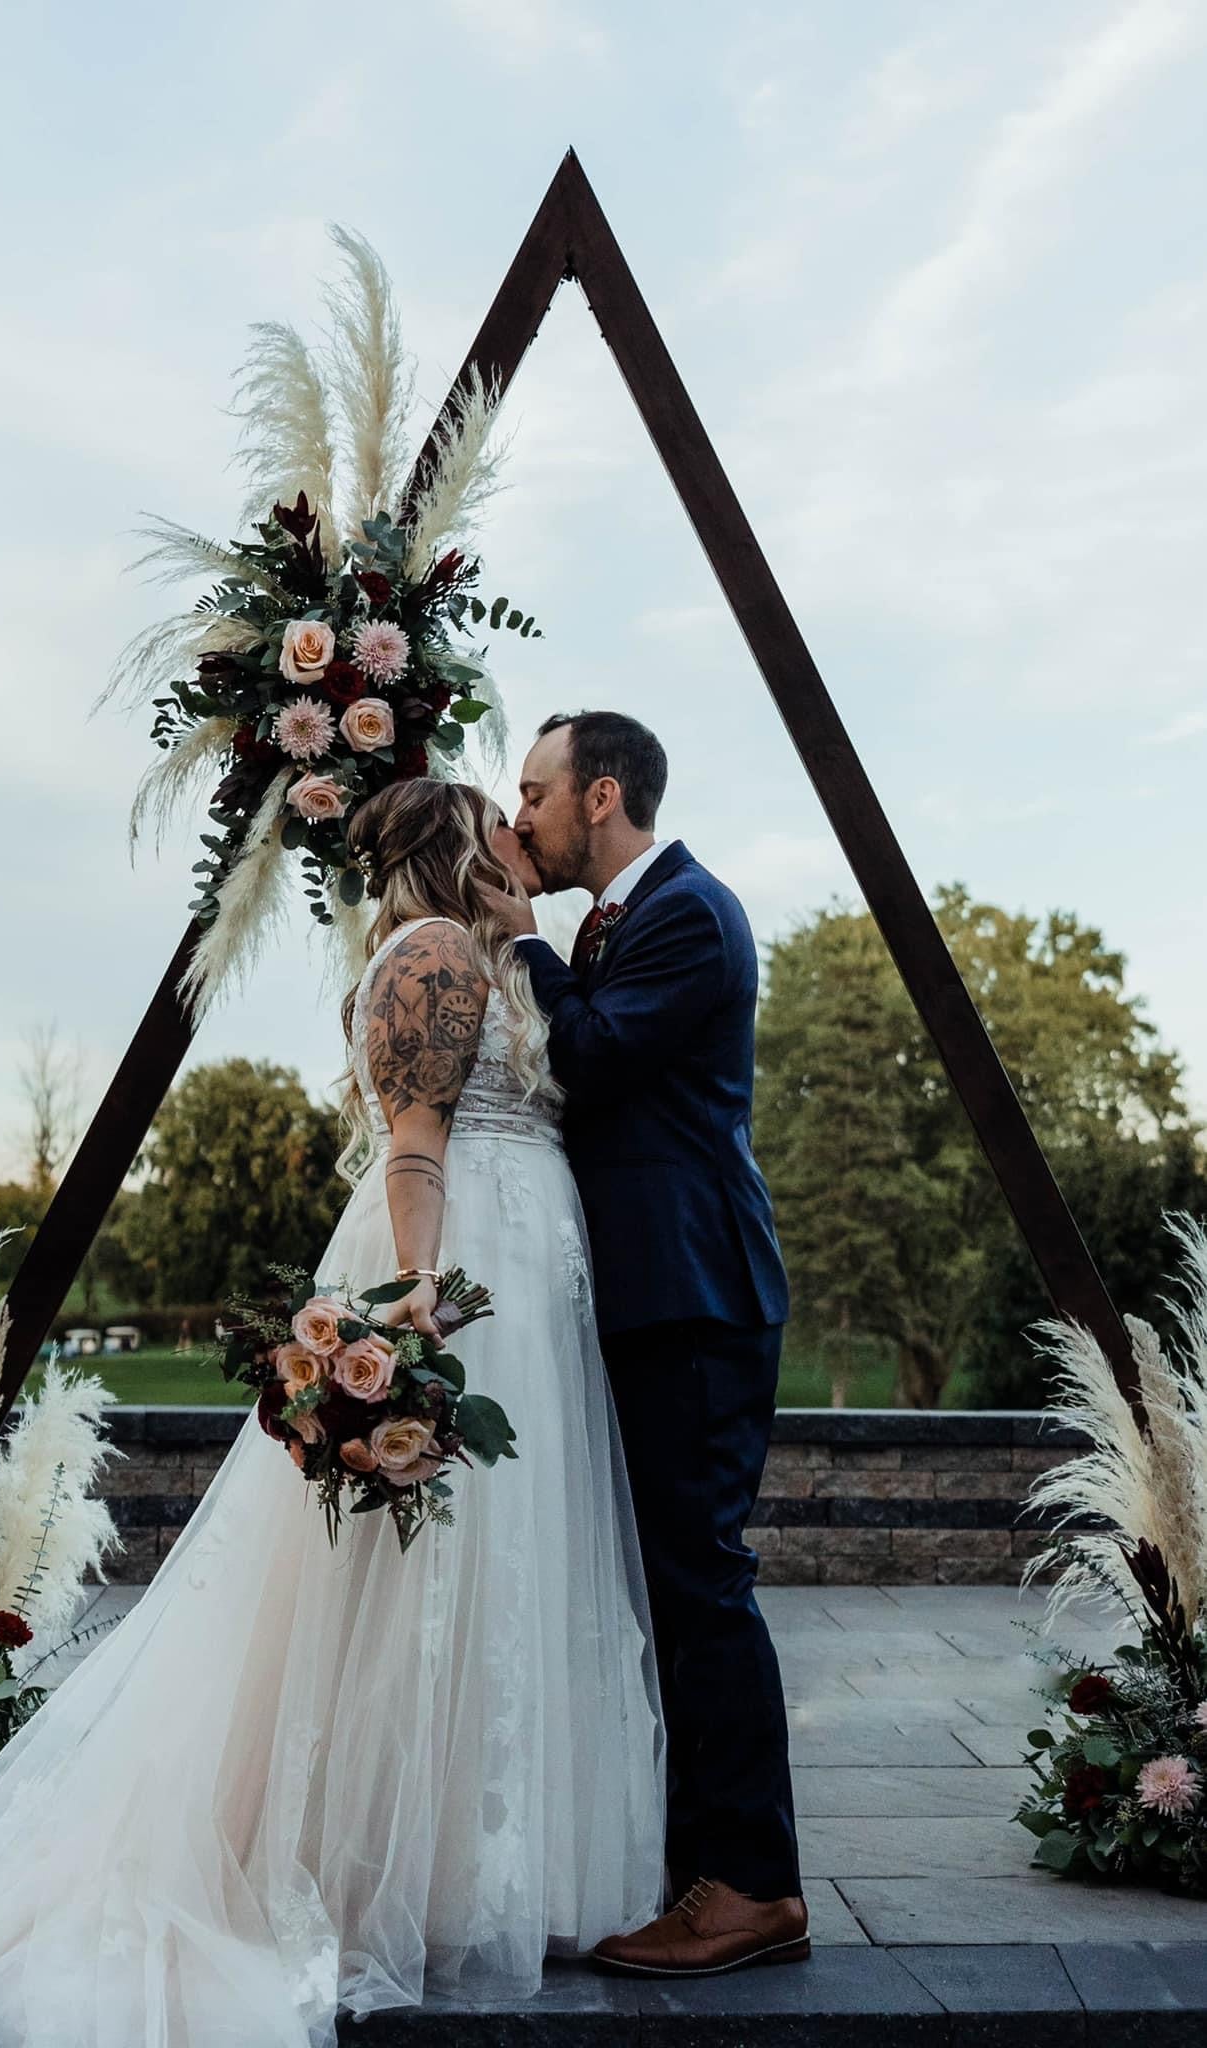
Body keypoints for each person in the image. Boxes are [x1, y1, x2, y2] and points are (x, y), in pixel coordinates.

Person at [0, 780, 665, 2048]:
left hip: (527, 1289)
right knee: (424, 1574)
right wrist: (417, 1299)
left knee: (497, 1569)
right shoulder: (433, 952)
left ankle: (476, 1859)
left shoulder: (487, 955)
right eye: (497, 825)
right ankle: (372, 1865)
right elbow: (412, 1142)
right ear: (452, 848)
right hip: (456, 1272)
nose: (518, 837)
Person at [484, 709, 808, 1978]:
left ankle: (752, 1886)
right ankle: (695, 1861)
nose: (519, 821)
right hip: (652, 1293)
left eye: (534, 793)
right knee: (668, 1585)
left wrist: (521, 941)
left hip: (695, 1294)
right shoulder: (623, 917)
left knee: (700, 1584)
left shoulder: (686, 909)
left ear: (600, 794)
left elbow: (591, 1055)